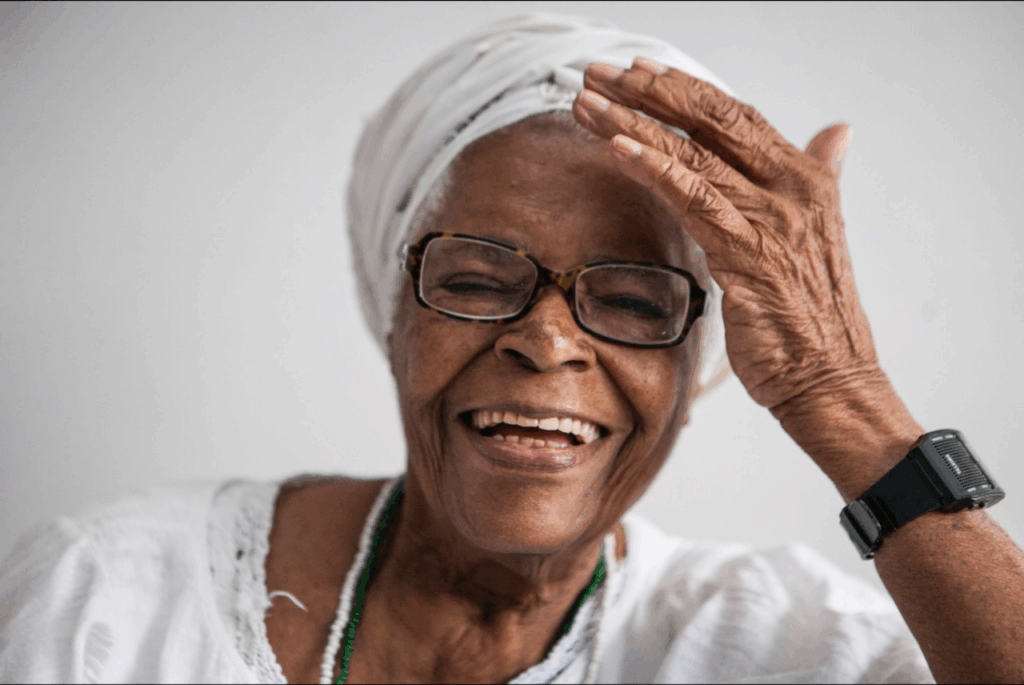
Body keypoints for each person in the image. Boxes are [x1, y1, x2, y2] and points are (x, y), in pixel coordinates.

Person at [2, 12, 1022, 684]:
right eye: (478, 279)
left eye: (634, 297)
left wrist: (839, 393)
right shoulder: (111, 600)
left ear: (701, 363)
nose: (545, 341)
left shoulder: (789, 647)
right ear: (395, 309)